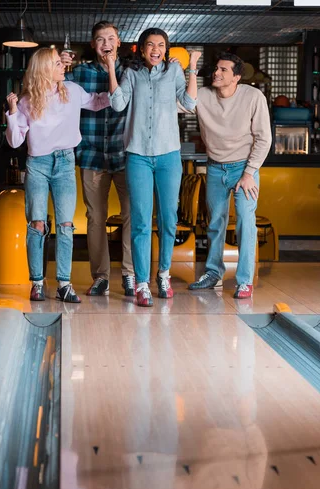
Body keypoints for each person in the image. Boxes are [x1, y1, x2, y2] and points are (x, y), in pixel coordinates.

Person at [103, 28, 201, 307]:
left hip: (169, 155)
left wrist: (192, 68)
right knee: (141, 222)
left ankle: (164, 274)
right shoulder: (131, 74)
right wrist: (111, 68)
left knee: (168, 220)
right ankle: (142, 283)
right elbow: (118, 103)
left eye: (160, 45)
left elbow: (189, 103)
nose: (155, 49)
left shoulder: (174, 72)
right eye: (150, 45)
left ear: (166, 49)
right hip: (138, 156)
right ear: (141, 48)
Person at [5, 47, 110, 302]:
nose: (63, 66)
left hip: (65, 162)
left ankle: (64, 284)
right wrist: (11, 112)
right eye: (56, 63)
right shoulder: (27, 100)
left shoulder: (72, 91)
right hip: (37, 164)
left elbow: (97, 102)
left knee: (66, 226)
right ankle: (38, 283)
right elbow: (15, 141)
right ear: (44, 70)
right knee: (36, 225)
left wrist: (120, 89)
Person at [61, 21, 135, 297]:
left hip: (126, 154)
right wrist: (59, 67)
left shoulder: (130, 73)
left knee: (131, 215)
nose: (106, 43)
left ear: (119, 42)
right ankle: (101, 276)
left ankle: (130, 274)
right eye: (100, 39)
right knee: (95, 217)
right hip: (91, 154)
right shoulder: (79, 73)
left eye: (111, 38)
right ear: (93, 45)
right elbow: (49, 94)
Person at [189, 52, 272, 299]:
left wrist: (249, 173)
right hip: (215, 166)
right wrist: (191, 68)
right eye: (216, 68)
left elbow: (264, 138)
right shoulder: (203, 95)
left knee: (246, 222)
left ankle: (244, 281)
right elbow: (181, 105)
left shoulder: (253, 96)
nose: (216, 72)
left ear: (236, 77)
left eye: (223, 70)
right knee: (215, 222)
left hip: (244, 168)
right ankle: (213, 273)